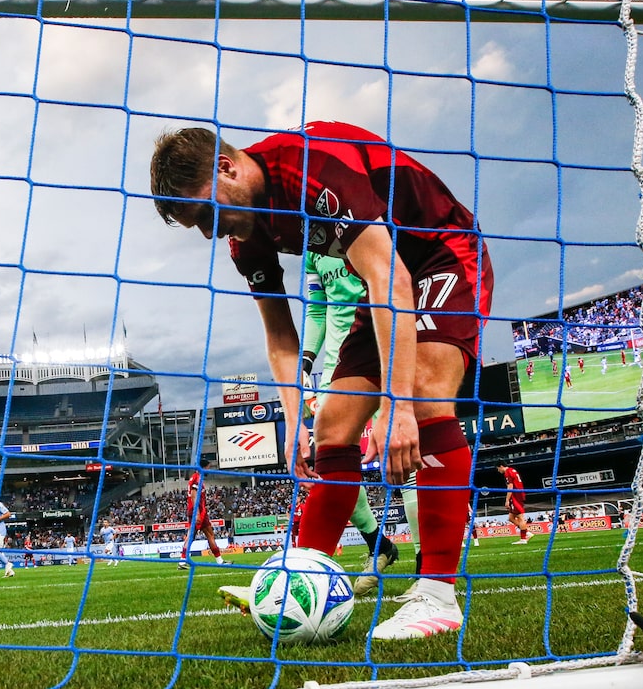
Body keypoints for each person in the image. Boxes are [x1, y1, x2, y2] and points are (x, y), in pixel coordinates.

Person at [152, 121, 493, 639]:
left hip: (437, 257)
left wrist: (393, 407)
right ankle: (301, 582)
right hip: (377, 283)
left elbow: (391, 278)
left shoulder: (312, 167)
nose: (208, 232)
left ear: (228, 167)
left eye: (204, 214)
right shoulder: (247, 235)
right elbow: (281, 337)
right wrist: (294, 423)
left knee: (423, 394)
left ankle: (438, 596)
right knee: (332, 425)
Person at [302, 250, 399, 595]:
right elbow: (317, 309)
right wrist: (304, 364)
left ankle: (430, 574)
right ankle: (379, 545)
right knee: (333, 462)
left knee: (405, 452)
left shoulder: (361, 220)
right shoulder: (311, 249)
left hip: (386, 348)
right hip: (335, 369)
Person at [178, 458, 229, 568]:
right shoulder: (197, 478)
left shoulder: (195, 477)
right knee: (191, 536)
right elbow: (193, 495)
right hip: (197, 511)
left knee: (209, 534)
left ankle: (219, 561)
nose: (209, 469)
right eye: (208, 467)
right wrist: (197, 513)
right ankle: (182, 561)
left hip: (200, 511)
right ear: (204, 467)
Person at [498, 463, 529, 544]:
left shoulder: (507, 472)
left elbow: (510, 486)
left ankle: (523, 539)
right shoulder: (513, 470)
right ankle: (526, 532)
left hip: (515, 495)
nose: (498, 471)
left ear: (501, 466)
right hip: (520, 493)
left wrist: (507, 500)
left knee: (520, 517)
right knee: (511, 517)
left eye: (498, 468)